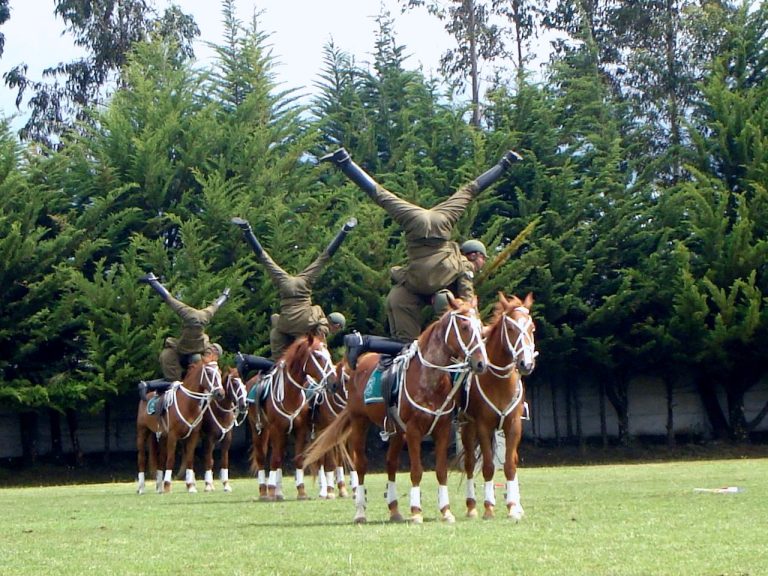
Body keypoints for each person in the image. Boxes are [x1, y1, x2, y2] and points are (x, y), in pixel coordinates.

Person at [319, 147, 521, 369]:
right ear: (474, 255)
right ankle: (441, 346)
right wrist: (505, 165)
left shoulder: (429, 222)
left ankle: (364, 343)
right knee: (446, 303)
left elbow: (378, 192)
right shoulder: (461, 263)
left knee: (405, 337)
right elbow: (467, 301)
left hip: (410, 288)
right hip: (429, 292)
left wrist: (346, 164)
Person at [232, 216, 356, 359]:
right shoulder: (306, 281)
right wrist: (344, 232)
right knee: (317, 310)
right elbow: (326, 256)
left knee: (266, 261)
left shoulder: (284, 282)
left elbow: (263, 257)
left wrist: (247, 232)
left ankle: (246, 229)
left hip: (285, 324)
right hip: (305, 322)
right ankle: (345, 230)